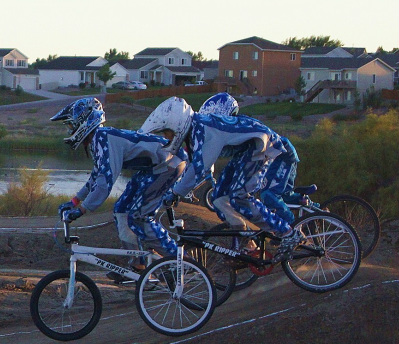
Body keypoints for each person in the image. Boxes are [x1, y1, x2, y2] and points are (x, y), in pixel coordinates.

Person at [140, 97, 303, 258]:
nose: (168, 137)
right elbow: (188, 162)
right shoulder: (195, 131)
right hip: (245, 151)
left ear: (178, 124)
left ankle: (288, 233)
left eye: (168, 132)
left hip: (261, 145)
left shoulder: (206, 129)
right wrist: (164, 187)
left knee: (240, 197)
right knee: (218, 198)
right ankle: (247, 243)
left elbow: (200, 168)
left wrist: (175, 193)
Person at [53, 98, 187, 281]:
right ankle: (138, 263)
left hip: (170, 163)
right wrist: (75, 201)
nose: (69, 131)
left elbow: (105, 183)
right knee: (121, 210)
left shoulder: (102, 138)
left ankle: (179, 262)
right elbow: (96, 176)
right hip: (152, 167)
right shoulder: (97, 140)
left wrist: (82, 209)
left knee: (139, 216)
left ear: (83, 122)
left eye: (71, 126)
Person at [198, 92, 300, 225]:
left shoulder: (239, 125)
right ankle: (306, 203)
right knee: (280, 195)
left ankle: (292, 227)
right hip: (274, 153)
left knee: (269, 194)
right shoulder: (230, 130)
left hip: (282, 155)